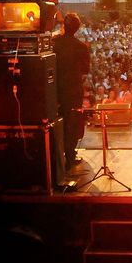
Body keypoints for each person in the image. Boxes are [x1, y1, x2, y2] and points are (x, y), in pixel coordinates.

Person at [53, 12, 91, 171]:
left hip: (53, 91)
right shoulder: (81, 47)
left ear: (63, 26)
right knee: (72, 123)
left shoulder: (52, 43)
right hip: (73, 91)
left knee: (54, 122)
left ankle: (53, 156)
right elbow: (85, 70)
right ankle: (69, 156)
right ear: (78, 28)